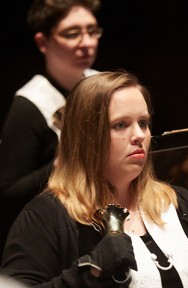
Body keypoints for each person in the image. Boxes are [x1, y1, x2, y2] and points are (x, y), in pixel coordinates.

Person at [0, 71, 188, 288]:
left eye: (143, 123)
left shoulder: (174, 202)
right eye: (121, 125)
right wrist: (87, 274)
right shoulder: (49, 217)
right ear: (86, 137)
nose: (140, 135)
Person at [0, 0, 102, 258]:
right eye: (72, 33)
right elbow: (7, 193)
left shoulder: (102, 86)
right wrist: (58, 165)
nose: (86, 42)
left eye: (92, 31)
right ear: (42, 42)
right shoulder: (29, 104)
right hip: (56, 240)